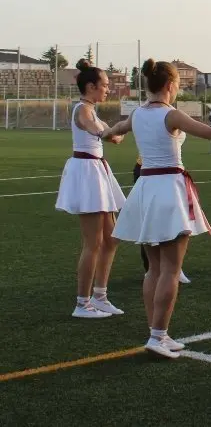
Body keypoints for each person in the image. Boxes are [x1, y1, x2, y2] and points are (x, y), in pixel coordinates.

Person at [103, 59, 211, 359]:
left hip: (145, 188)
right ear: (170, 86)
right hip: (168, 189)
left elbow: (116, 129)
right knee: (170, 268)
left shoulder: (138, 114)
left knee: (154, 268)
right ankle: (158, 335)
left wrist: (108, 136)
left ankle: (158, 333)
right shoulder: (171, 115)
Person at [55, 59, 127, 319]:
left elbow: (115, 137)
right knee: (93, 242)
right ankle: (82, 303)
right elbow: (95, 128)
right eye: (105, 85)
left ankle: (100, 296)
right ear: (90, 86)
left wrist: (124, 126)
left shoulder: (92, 110)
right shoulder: (82, 110)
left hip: (97, 171)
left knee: (112, 238)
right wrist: (109, 131)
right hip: (87, 173)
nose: (108, 89)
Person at [134, 155, 192, 284]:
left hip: (169, 171)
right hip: (152, 170)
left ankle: (170, 266)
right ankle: (152, 268)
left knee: (173, 219)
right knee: (152, 222)